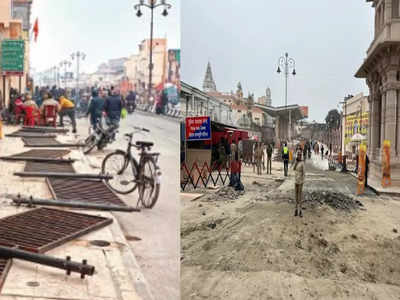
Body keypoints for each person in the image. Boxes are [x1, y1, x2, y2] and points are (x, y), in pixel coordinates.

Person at [293, 150, 305, 217]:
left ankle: (300, 211)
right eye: (298, 155)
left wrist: (303, 181)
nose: (299, 156)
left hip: (300, 181)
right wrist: (296, 162)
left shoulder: (302, 163)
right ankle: (295, 210)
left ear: (301, 156)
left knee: (300, 196)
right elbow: (294, 169)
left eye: (300, 155)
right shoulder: (296, 162)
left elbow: (304, 173)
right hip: (296, 181)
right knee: (296, 196)